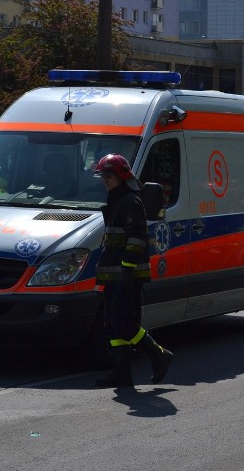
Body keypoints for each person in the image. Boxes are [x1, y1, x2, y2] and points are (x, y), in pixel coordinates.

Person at [93, 153, 174, 388]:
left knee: (124, 323)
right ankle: (122, 372)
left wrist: (127, 270)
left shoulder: (129, 202)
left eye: (108, 176)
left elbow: (137, 238)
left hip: (126, 274)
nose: (105, 180)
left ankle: (159, 355)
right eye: (103, 176)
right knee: (112, 324)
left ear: (121, 176)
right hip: (114, 274)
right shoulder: (117, 201)